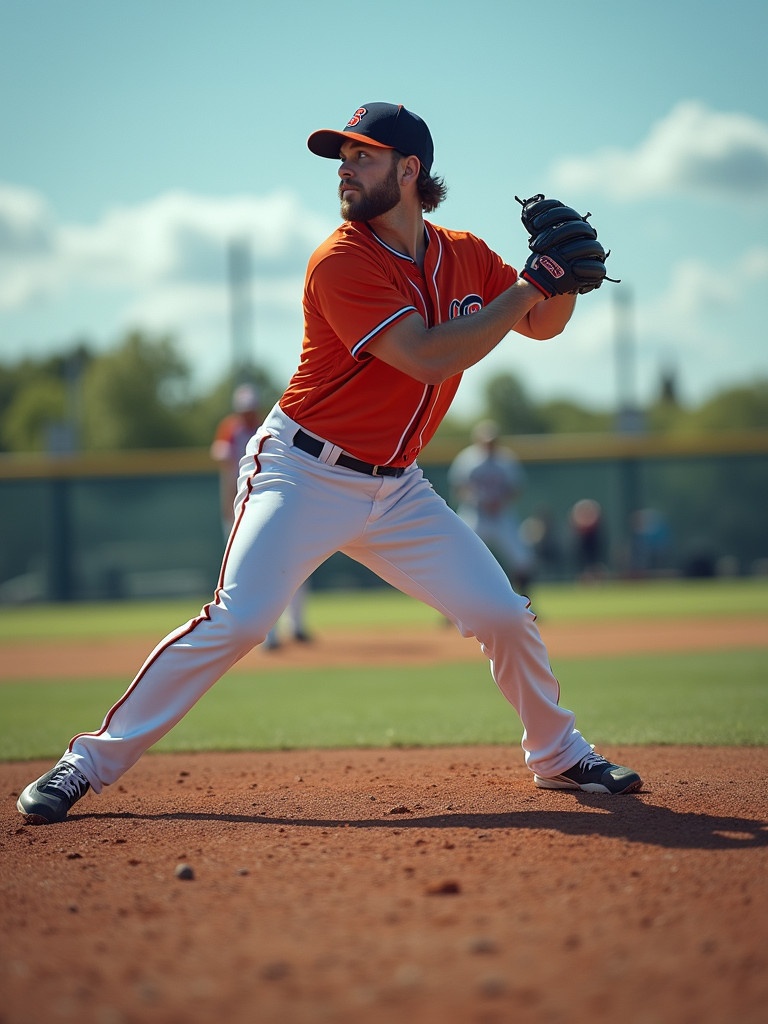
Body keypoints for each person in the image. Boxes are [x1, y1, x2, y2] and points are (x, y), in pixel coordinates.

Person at [17, 101, 641, 826]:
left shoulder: (465, 253)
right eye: (342, 157)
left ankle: (558, 754)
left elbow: (541, 324)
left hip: (398, 488)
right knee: (240, 619)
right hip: (301, 471)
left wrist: (559, 283)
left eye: (362, 156)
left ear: (410, 171)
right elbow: (428, 355)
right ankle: (85, 763)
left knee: (503, 613)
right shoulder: (341, 259)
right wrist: (535, 281)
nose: (344, 169)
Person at [210, 383, 311, 648]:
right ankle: (269, 635)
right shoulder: (230, 431)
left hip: (269, 507)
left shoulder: (269, 426)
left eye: (251, 408)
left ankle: (296, 626)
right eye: (244, 410)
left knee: (293, 568)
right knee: (254, 574)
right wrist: (228, 507)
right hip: (240, 507)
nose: (248, 413)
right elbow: (226, 473)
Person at [449, 420, 535, 597]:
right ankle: (452, 609)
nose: (489, 444)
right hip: (475, 514)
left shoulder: (506, 459)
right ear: (477, 440)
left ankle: (524, 605)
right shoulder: (467, 459)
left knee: (522, 557)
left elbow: (516, 487)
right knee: (457, 557)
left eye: (492, 440)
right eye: (486, 440)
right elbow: (458, 487)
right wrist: (476, 499)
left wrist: (500, 501)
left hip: (501, 515)